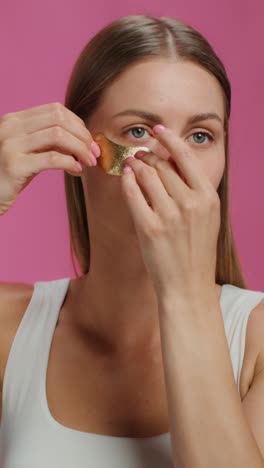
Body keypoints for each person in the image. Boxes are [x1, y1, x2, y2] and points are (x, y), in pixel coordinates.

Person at [0, 14, 263, 468]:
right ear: (80, 149)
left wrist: (184, 293)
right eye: (138, 131)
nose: (174, 164)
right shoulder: (10, 326)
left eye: (200, 136)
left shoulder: (257, 341)